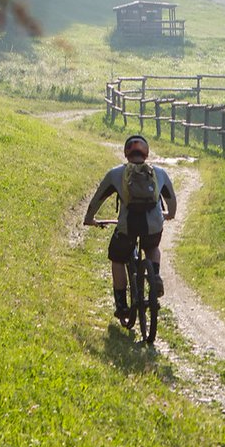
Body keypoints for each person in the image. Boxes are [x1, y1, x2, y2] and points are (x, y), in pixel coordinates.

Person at [83, 134, 177, 317]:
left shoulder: (116, 173)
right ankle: (155, 276)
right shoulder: (159, 173)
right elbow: (171, 199)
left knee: (117, 258)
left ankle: (122, 306)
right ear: (147, 153)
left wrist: (89, 218)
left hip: (128, 226)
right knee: (152, 247)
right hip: (153, 225)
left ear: (126, 153)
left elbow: (97, 199)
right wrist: (170, 214)